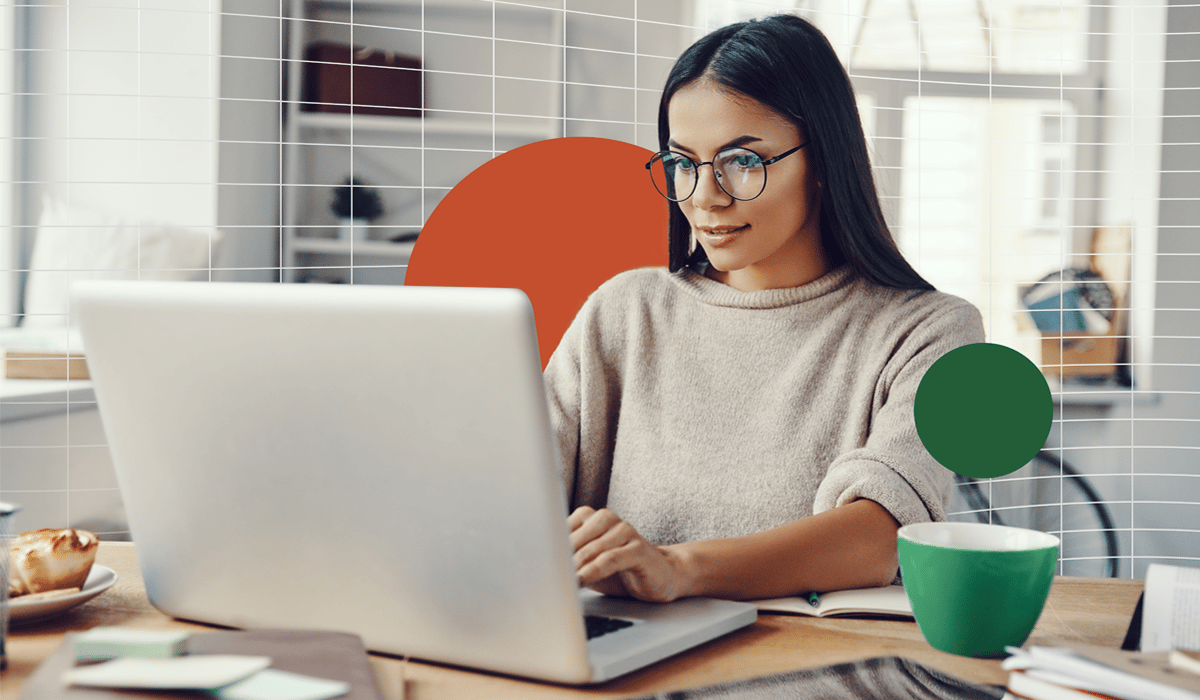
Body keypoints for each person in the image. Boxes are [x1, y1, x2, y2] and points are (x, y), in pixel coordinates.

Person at [544, 14, 985, 604]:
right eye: (683, 164)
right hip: (622, 665)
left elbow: (877, 537)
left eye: (742, 162)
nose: (705, 197)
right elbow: (515, 483)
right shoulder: (622, 312)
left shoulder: (930, 332)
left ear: (824, 161)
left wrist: (679, 568)